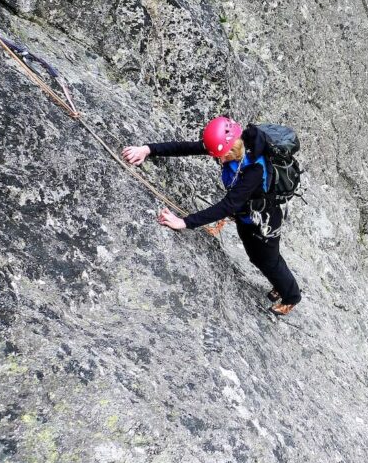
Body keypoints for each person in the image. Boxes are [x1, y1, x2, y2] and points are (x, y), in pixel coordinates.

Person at [122, 116, 301, 315]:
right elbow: (186, 148)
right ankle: (280, 283)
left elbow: (227, 205)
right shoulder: (229, 145)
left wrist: (185, 222)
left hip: (264, 222)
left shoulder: (255, 170)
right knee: (257, 258)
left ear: (232, 150)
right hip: (245, 216)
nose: (217, 159)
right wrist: (147, 149)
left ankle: (291, 296)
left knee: (268, 260)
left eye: (219, 156)